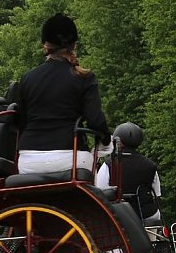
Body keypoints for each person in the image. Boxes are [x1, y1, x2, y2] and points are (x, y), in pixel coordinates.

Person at [14, 13, 110, 175]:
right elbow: (96, 121)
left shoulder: (27, 78)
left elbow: (20, 122)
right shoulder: (84, 77)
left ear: (45, 45)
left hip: (29, 160)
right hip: (70, 157)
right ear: (74, 45)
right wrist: (106, 142)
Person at [96, 122, 162, 222]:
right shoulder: (150, 165)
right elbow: (156, 195)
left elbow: (100, 193)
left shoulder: (108, 164)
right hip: (147, 215)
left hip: (120, 215)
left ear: (118, 141)